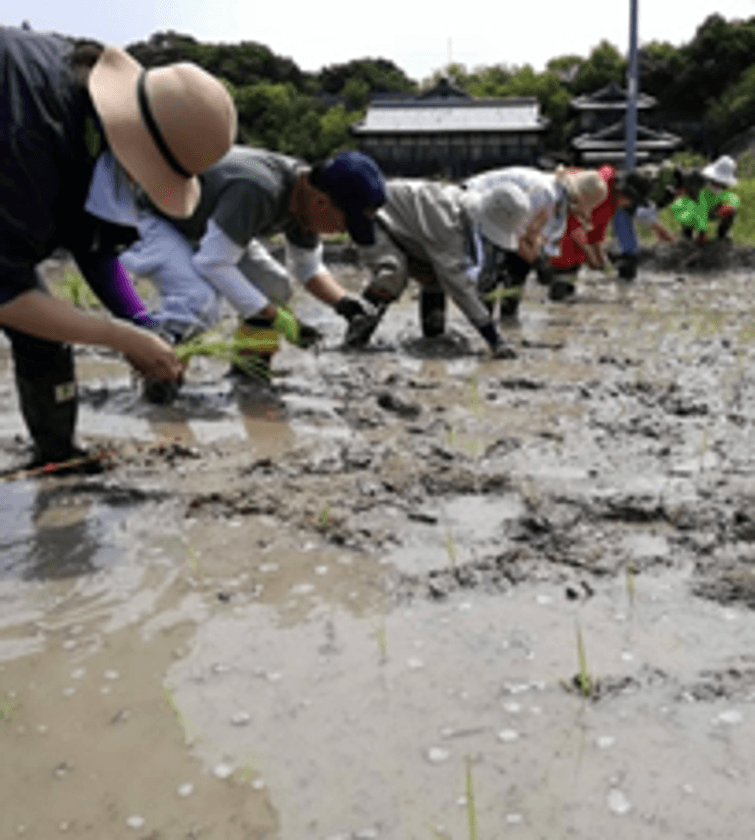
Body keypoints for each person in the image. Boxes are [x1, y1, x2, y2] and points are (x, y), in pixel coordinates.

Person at [0, 25, 237, 470]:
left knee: (45, 337)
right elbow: (6, 294)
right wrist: (117, 335)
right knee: (36, 319)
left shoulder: (81, 100)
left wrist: (140, 326)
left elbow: (94, 244)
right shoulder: (24, 143)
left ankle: (56, 456)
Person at [119, 146, 386, 397]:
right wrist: (280, 319)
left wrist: (344, 303)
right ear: (322, 203)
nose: (341, 233)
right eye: (344, 224)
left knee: (274, 284)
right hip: (148, 216)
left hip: (201, 225)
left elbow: (308, 267)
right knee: (198, 298)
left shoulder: (305, 201)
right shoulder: (260, 189)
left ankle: (249, 373)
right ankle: (159, 380)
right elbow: (213, 263)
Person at [344, 166, 608, 350]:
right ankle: (356, 338)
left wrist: (540, 262)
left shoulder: (478, 214)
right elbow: (459, 287)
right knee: (395, 272)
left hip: (417, 226)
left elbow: (534, 242)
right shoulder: (452, 227)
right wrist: (493, 338)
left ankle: (433, 339)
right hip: (374, 217)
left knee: (436, 276)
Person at [538, 166, 655, 299]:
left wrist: (600, 259)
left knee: (579, 251)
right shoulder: (599, 194)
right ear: (626, 194)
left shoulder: (611, 197)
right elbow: (574, 229)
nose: (630, 206)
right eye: (633, 202)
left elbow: (595, 232)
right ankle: (558, 284)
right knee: (570, 253)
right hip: (554, 203)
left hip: (566, 207)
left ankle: (560, 279)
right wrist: (590, 257)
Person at [669, 155, 740, 243]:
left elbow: (732, 197)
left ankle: (723, 236)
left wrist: (729, 206)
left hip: (711, 209)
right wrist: (702, 233)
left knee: (731, 211)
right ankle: (686, 235)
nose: (718, 182)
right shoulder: (699, 182)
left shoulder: (724, 186)